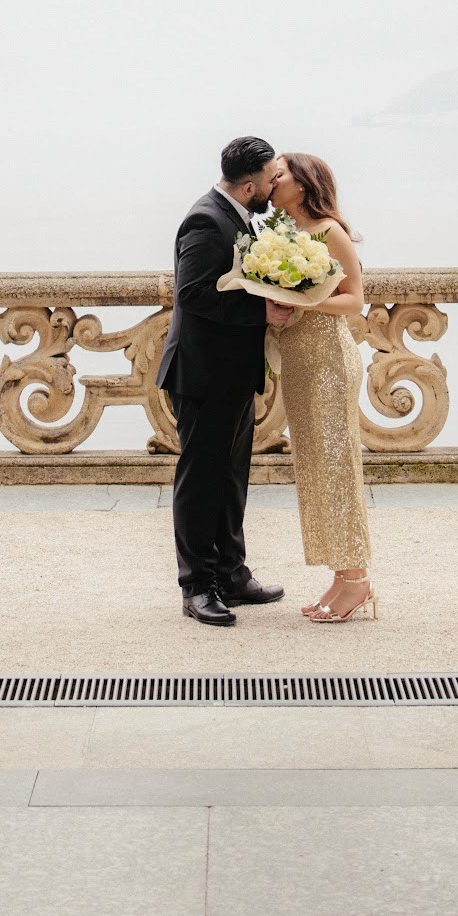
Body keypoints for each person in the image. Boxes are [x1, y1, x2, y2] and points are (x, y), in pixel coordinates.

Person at [156, 135, 289, 626]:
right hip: (203, 373)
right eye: (273, 178)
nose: (277, 184)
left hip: (233, 372)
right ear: (250, 184)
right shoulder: (206, 219)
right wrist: (265, 306)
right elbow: (192, 295)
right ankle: (196, 587)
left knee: (231, 478)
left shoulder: (238, 214)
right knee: (200, 481)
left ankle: (231, 573)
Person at [266, 151, 375, 623]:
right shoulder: (280, 233)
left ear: (305, 183)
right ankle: (341, 574)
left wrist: (305, 302)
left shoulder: (330, 231)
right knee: (313, 468)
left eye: (281, 173)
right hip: (297, 361)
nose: (273, 180)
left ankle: (358, 580)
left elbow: (355, 299)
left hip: (329, 359)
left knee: (337, 466)